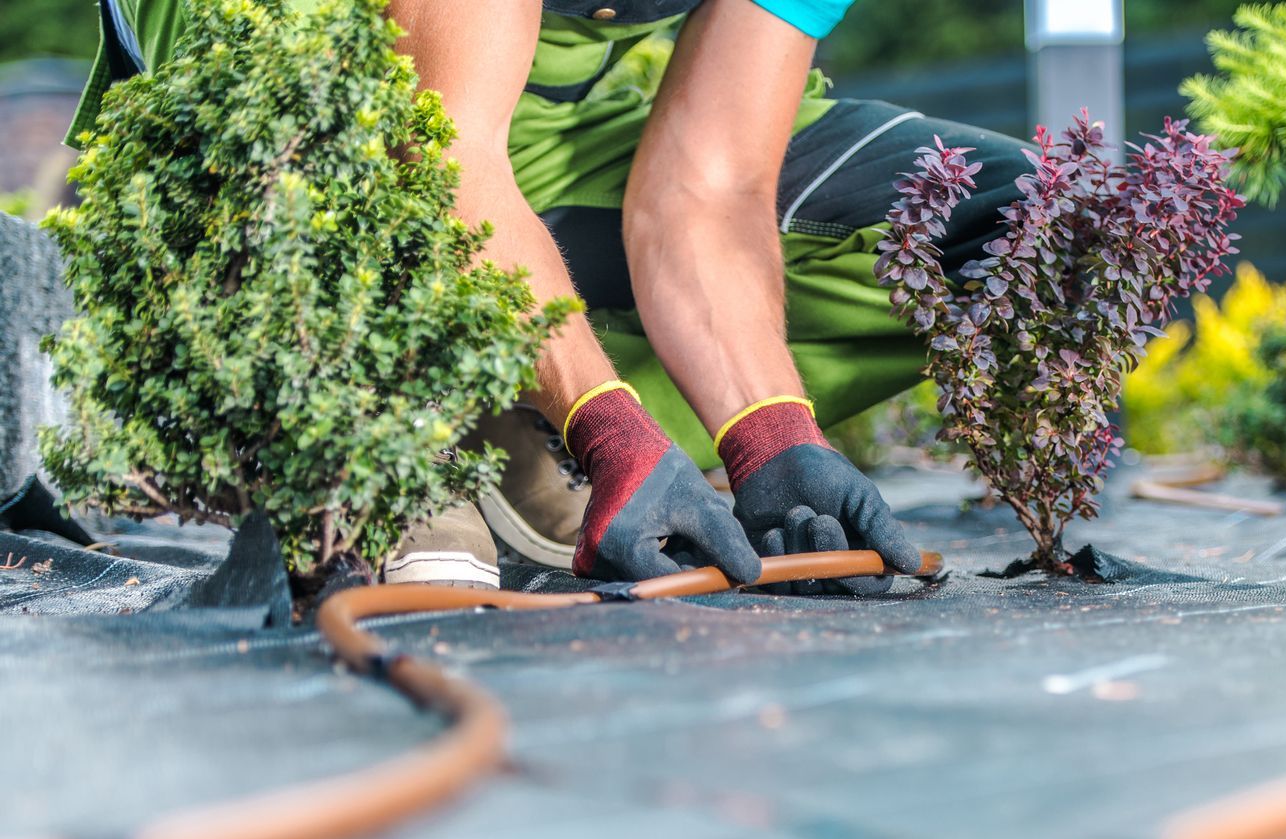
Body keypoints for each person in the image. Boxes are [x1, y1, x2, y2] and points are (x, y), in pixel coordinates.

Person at [69, 0, 1030, 594]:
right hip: (308, 60)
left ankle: (528, 420)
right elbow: (440, 142)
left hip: (534, 106)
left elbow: (710, 183)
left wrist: (772, 438)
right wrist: (603, 423)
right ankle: (396, 425)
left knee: (1029, 221)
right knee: (314, 86)